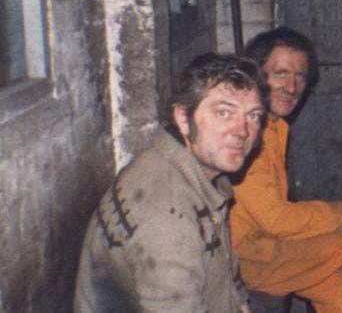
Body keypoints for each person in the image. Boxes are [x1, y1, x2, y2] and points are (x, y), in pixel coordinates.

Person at [230, 27, 342, 313]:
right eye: (281, 74)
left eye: (299, 76)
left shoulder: (275, 127)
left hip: (273, 249)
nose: (291, 87)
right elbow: (275, 220)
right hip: (250, 261)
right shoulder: (247, 135)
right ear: (256, 76)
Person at [74, 53, 268, 313]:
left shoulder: (194, 173)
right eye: (224, 113)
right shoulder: (166, 215)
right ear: (183, 119)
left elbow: (227, 276)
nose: (243, 131)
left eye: (253, 116)